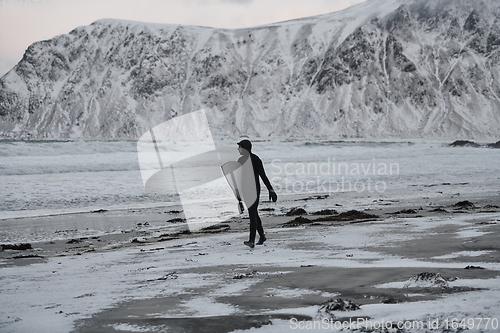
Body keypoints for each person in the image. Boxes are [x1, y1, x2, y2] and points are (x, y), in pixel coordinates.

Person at [237, 139, 277, 249]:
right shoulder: (240, 160)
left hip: (254, 190)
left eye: (239, 147)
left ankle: (251, 240)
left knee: (252, 213)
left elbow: (263, 176)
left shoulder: (255, 159)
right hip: (246, 190)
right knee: (254, 213)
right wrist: (238, 194)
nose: (238, 149)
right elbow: (239, 178)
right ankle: (262, 236)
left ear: (244, 148)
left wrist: (271, 189)